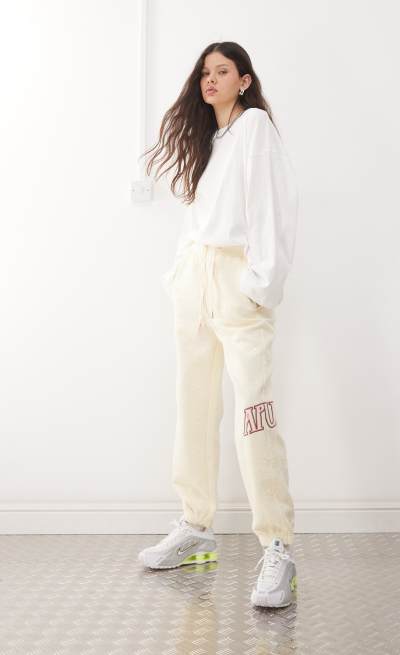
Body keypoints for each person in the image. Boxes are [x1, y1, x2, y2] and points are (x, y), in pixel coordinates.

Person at [137, 41, 299, 609]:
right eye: (204, 72)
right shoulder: (211, 139)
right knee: (195, 407)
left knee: (254, 414)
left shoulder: (254, 127)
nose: (210, 80)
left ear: (244, 80)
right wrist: (180, 275)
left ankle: (277, 546)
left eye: (222, 71)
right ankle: (196, 527)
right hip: (196, 280)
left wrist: (260, 286)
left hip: (237, 281)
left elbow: (273, 208)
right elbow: (199, 218)